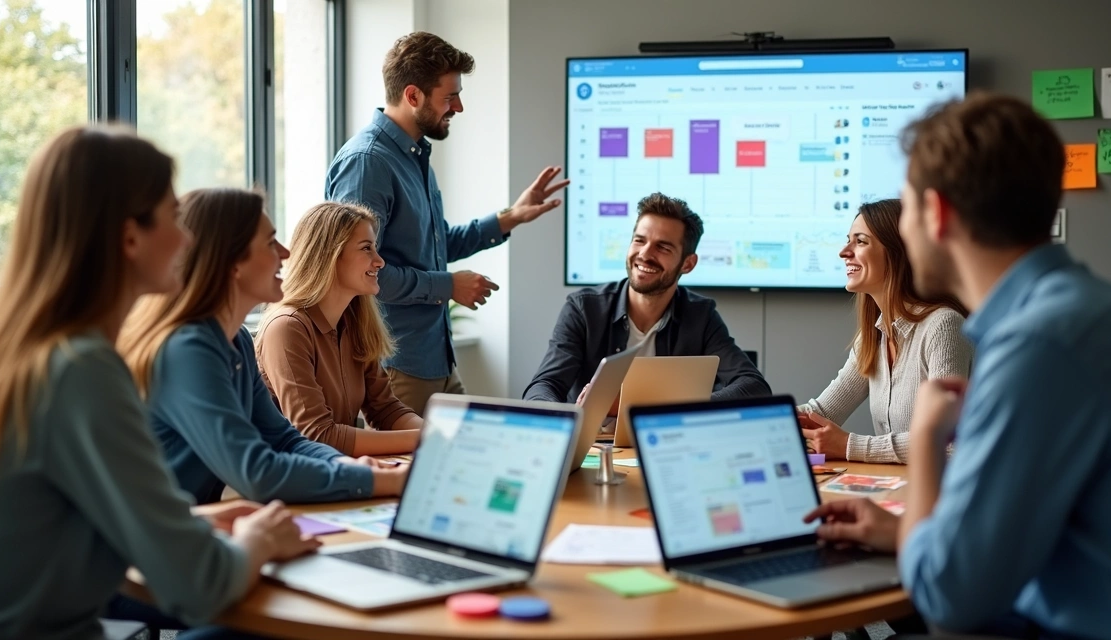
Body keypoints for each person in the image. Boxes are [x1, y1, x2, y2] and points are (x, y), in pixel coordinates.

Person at [804, 92, 1111, 639]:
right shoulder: (1098, 309)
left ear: (937, 215)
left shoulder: (1040, 344)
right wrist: (895, 530)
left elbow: (950, 597)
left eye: (908, 208)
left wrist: (933, 439)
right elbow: (1016, 528)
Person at [0, 125, 316, 640]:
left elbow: (76, 517)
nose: (186, 238)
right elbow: (201, 584)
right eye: (174, 216)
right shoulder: (83, 371)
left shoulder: (33, 353)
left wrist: (194, 523)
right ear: (130, 237)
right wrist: (258, 539)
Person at [324, 31, 569, 416]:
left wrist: (511, 217)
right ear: (412, 96)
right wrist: (448, 285)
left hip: (434, 360)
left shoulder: (413, 155)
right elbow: (358, 273)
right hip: (395, 366)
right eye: (450, 96)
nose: (459, 106)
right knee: (413, 476)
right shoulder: (368, 163)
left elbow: (435, 245)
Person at [118, 188, 408, 506]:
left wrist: (347, 466)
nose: (285, 253)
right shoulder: (187, 350)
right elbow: (257, 473)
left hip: (192, 526)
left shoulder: (238, 340)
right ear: (233, 264)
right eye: (271, 242)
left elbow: (284, 439)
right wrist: (375, 479)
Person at [524, 192, 769, 410]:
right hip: (594, 448)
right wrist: (567, 420)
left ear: (687, 263)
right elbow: (543, 386)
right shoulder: (584, 308)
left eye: (662, 247)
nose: (644, 254)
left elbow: (753, 386)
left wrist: (657, 407)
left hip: (665, 444)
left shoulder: (700, 315)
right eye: (639, 240)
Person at [798, 199, 973, 464]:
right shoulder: (872, 337)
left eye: (860, 241)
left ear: (897, 252)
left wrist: (850, 445)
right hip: (898, 489)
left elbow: (949, 441)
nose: (844, 252)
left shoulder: (943, 326)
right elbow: (821, 413)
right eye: (848, 240)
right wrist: (758, 423)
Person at [256, 202, 422, 457]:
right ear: (328, 255)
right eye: (366, 248)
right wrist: (425, 440)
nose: (379, 262)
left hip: (335, 473)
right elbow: (317, 435)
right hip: (294, 487)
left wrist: (437, 435)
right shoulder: (287, 328)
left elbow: (386, 409)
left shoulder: (354, 322)